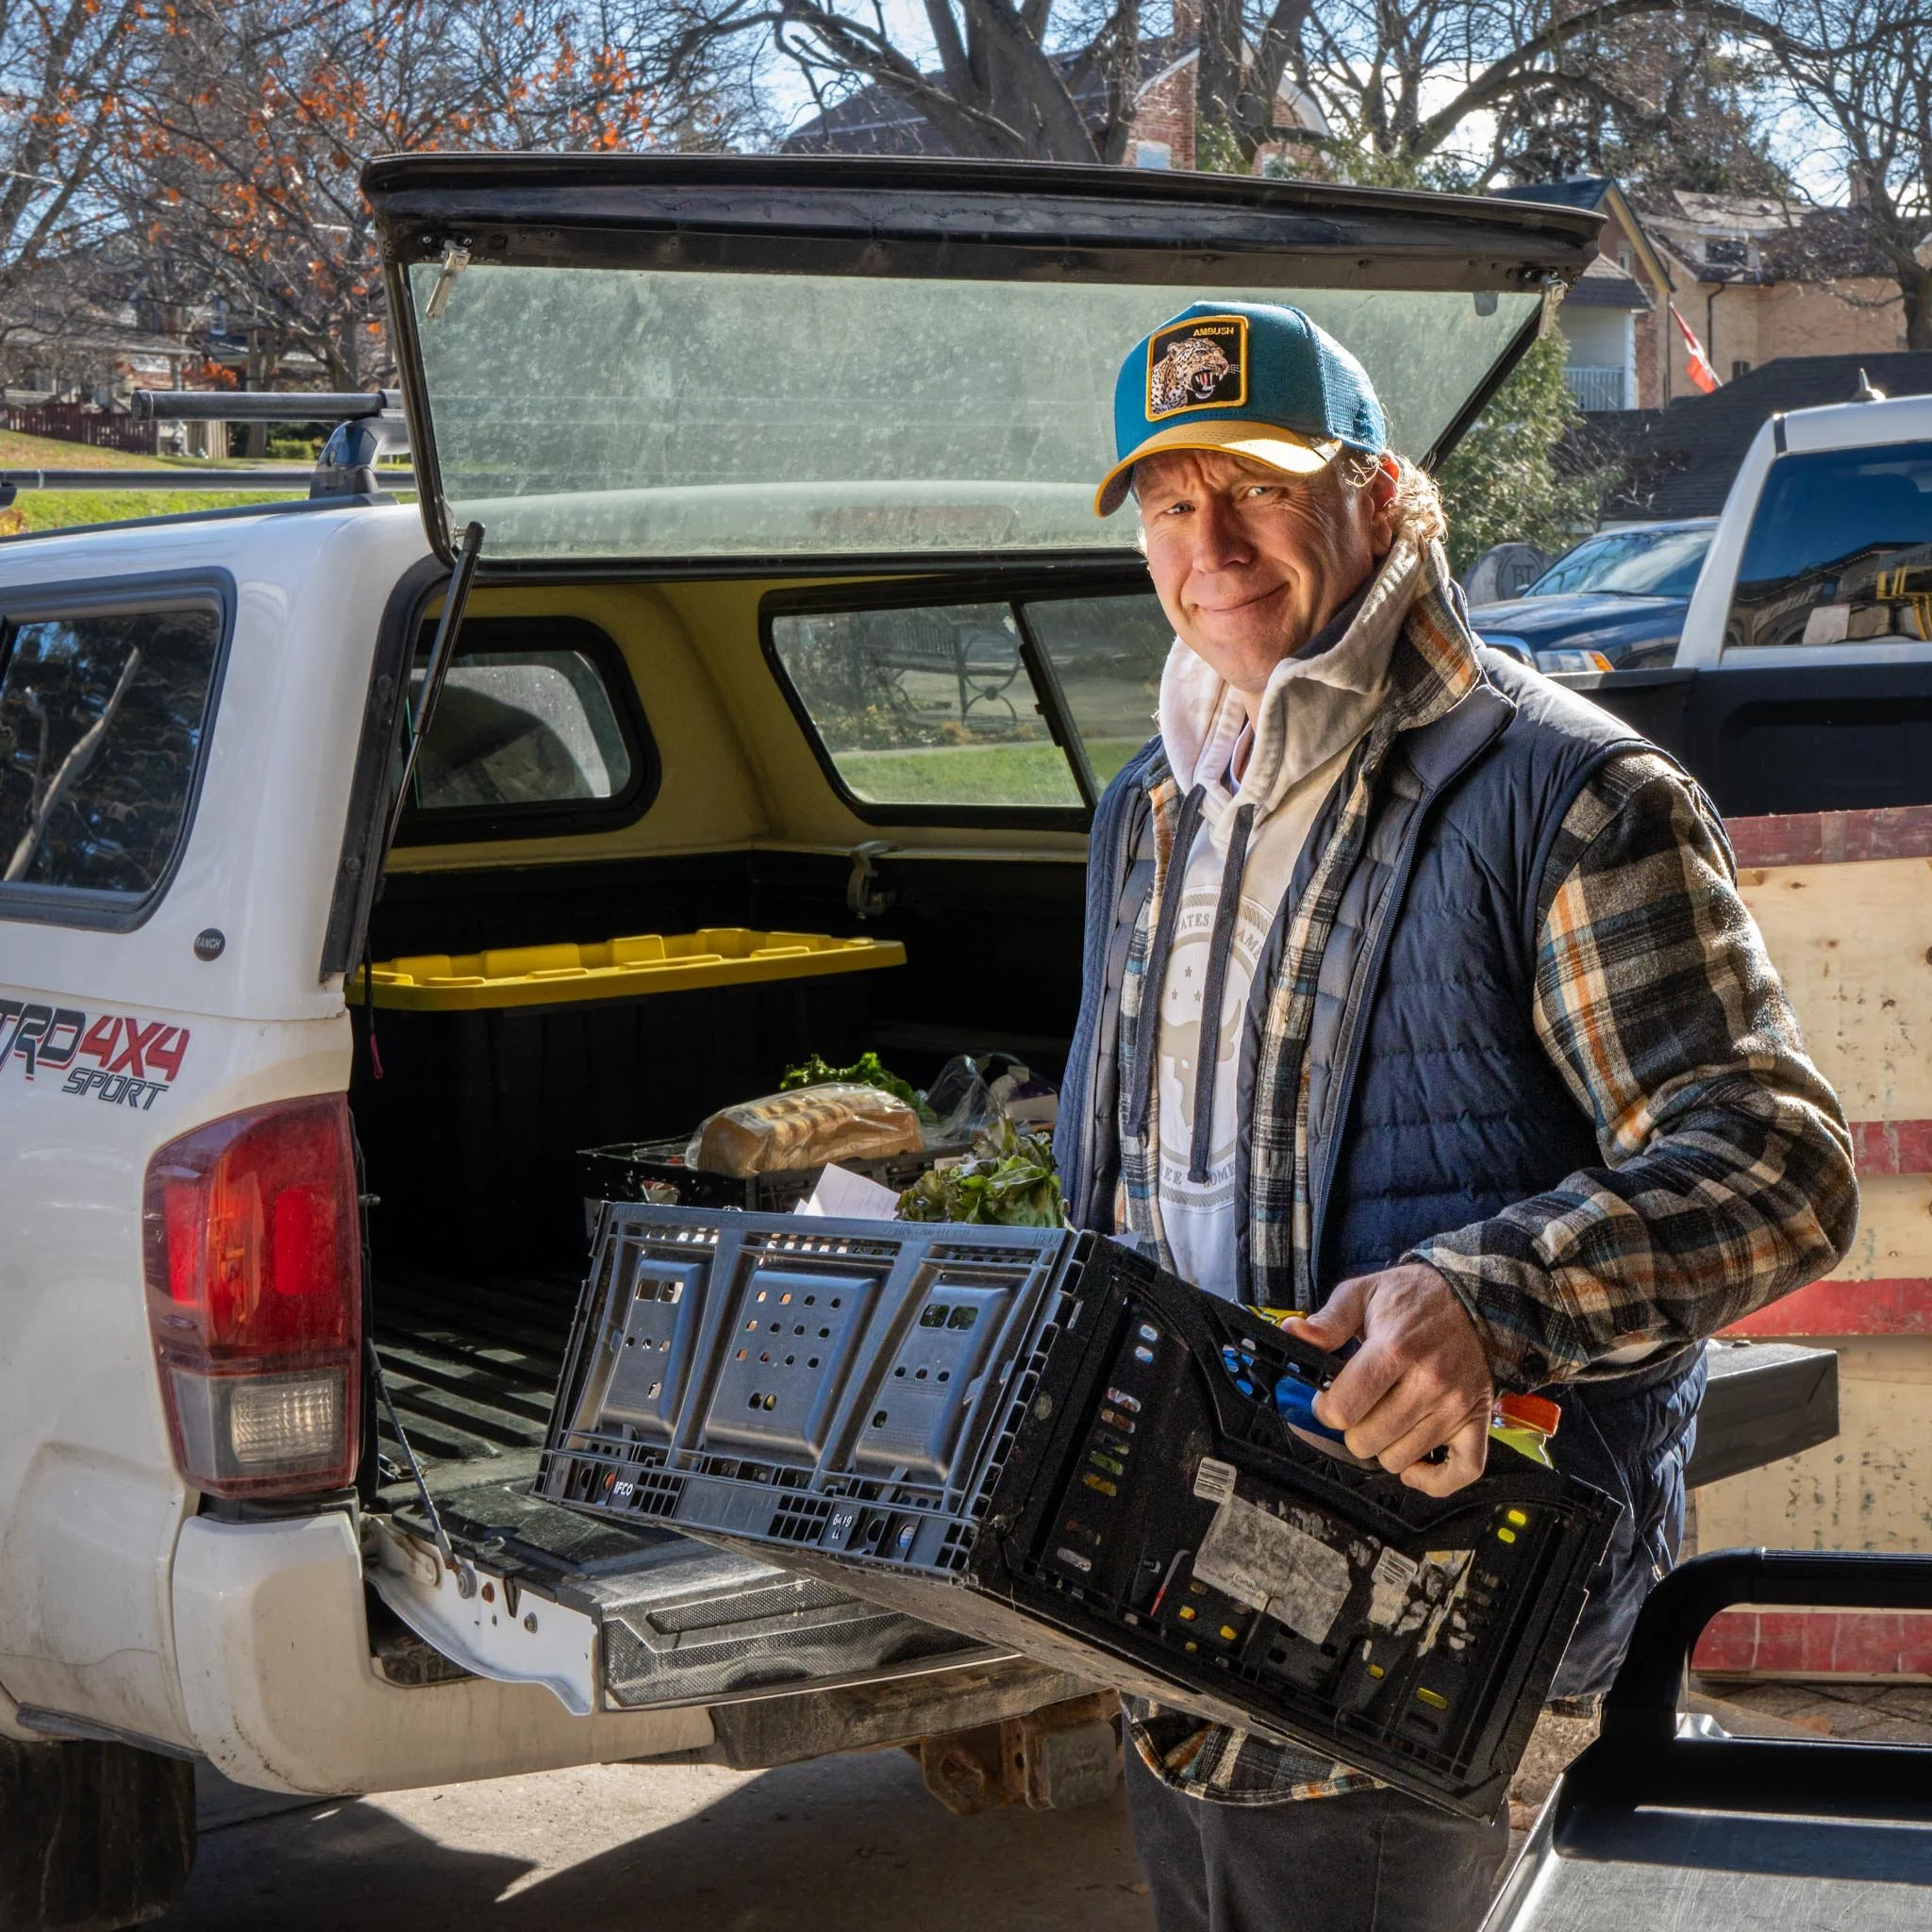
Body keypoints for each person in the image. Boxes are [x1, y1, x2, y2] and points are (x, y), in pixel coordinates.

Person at [1053, 300, 1857, 1932]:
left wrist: (1486, 1301)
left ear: (1385, 492)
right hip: (1176, 1621)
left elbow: (1779, 1163)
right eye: (1164, 500)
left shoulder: (1567, 792)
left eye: (1256, 487)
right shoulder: (1148, 807)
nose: (1207, 543)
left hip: (1443, 1647)